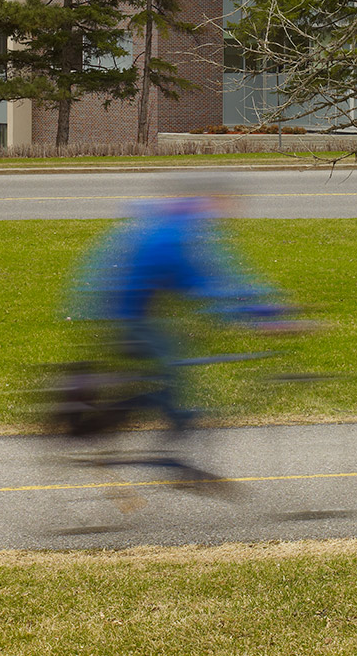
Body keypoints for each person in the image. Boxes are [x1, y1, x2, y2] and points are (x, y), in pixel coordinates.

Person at [55, 187, 294, 487]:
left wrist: (267, 311)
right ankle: (169, 454)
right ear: (212, 202)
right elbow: (208, 283)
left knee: (168, 361)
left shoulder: (171, 222)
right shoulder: (179, 234)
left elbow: (215, 279)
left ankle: (136, 424)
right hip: (122, 313)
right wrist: (264, 317)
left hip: (112, 306)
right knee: (173, 367)